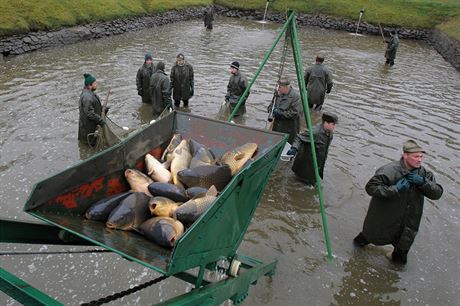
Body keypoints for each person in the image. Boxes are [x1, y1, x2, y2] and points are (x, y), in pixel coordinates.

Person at [353, 140, 443, 264]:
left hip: (409, 222)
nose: (419, 160)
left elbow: (437, 193)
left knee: (400, 258)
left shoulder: (424, 174)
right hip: (385, 217)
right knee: (367, 238)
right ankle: (354, 256)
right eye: (416, 156)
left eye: (421, 156)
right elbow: (370, 188)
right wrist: (395, 189)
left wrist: (423, 182)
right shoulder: (388, 170)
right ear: (405, 155)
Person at [287, 112, 338, 185]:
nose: (334, 127)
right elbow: (299, 137)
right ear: (326, 123)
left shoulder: (330, 132)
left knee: (312, 184)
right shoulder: (315, 132)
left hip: (317, 164)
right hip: (306, 165)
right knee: (299, 185)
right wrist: (294, 148)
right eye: (333, 124)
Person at [267, 76, 302, 144]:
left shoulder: (296, 97)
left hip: (289, 128)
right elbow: (272, 104)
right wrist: (271, 109)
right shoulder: (278, 94)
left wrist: (280, 113)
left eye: (280, 87)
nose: (278, 89)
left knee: (287, 144)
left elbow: (294, 113)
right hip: (277, 127)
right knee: (275, 142)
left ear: (286, 87)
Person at [78, 73, 105, 146]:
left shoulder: (90, 93)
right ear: (90, 85)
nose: (96, 84)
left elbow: (93, 107)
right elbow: (90, 113)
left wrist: (103, 109)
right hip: (88, 131)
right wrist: (101, 121)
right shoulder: (87, 97)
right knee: (90, 146)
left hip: (90, 128)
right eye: (95, 83)